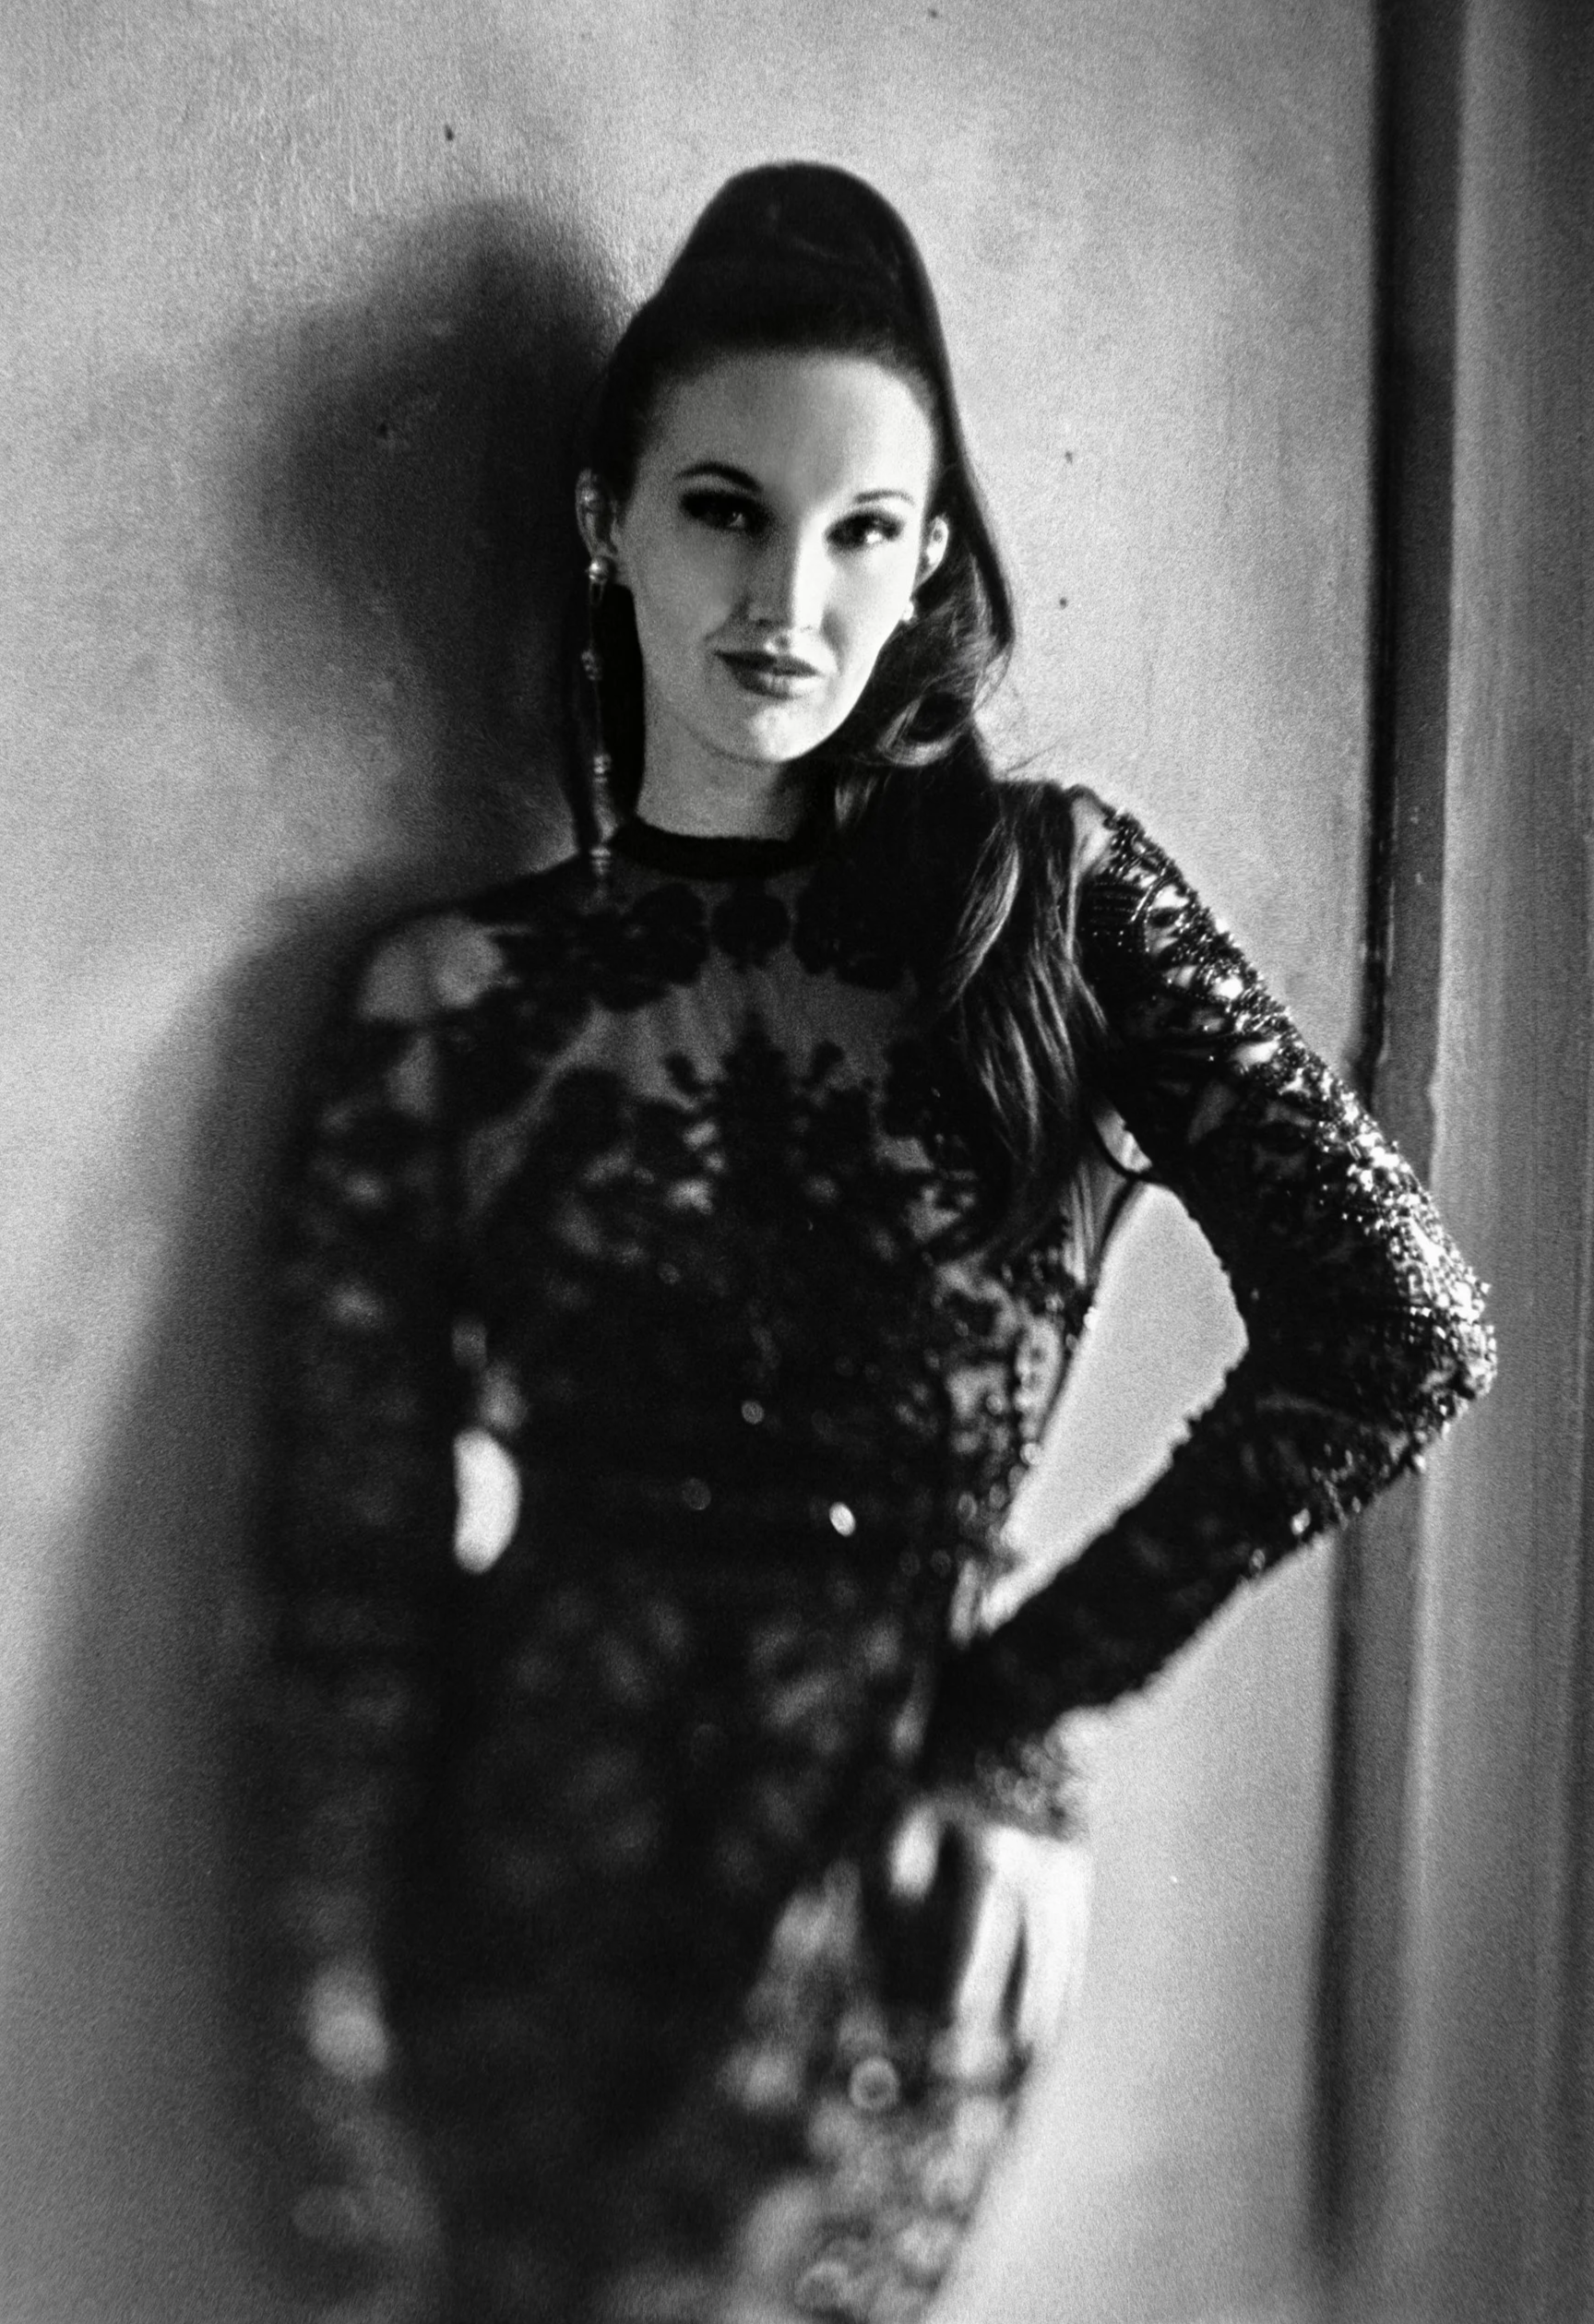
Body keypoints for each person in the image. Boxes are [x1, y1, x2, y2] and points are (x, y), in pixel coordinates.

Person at [247, 162, 1495, 2324]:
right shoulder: (450, 997)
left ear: (927, 563)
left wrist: (1014, 1704)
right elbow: (348, 1578)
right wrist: (325, 2055)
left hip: (884, 1879)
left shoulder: (1053, 907)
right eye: (726, 509)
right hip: (518, 1861)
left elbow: (1402, 1327)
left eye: (862, 531)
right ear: (609, 523)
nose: (789, 596)